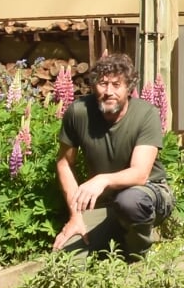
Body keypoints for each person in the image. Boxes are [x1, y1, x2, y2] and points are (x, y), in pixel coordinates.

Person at [51, 53, 173, 262]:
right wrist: (75, 215)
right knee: (68, 259)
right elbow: (64, 163)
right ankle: (117, 233)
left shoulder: (146, 114)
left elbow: (140, 174)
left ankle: (136, 255)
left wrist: (102, 179)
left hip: (149, 193)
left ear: (128, 88)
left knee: (131, 201)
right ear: (93, 86)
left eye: (117, 85)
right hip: (105, 201)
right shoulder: (78, 112)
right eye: (102, 84)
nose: (108, 92)